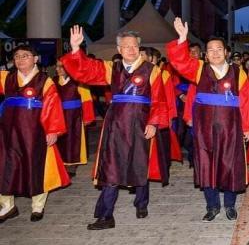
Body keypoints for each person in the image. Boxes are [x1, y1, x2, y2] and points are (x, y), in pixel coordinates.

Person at [61, 27, 169, 230]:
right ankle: (106, 216)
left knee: (139, 163)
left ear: (139, 48)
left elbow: (159, 100)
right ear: (119, 48)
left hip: (140, 123)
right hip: (116, 125)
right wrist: (76, 49)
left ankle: (141, 203)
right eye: (126, 46)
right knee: (110, 166)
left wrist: (154, 122)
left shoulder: (152, 70)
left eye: (134, 46)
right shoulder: (112, 67)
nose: (131, 49)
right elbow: (85, 70)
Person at [166, 18, 249, 222]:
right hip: (205, 129)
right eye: (210, 50)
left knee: (230, 165)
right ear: (206, 55)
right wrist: (182, 39)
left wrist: (248, 126)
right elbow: (179, 62)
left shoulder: (238, 72)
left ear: (226, 52)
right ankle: (212, 205)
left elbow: (248, 101)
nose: (215, 53)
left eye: (219, 49)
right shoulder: (199, 70)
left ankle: (230, 205)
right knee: (207, 165)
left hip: (231, 128)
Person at [0, 45, 70, 223]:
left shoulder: (44, 81)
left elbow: (53, 106)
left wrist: (53, 130)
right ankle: (7, 205)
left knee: (36, 166)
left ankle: (37, 206)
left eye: (25, 55)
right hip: (8, 133)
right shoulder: (6, 78)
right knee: (5, 166)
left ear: (35, 59)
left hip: (33, 133)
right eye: (17, 56)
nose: (20, 59)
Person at [54, 60, 96, 176]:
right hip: (59, 115)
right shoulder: (53, 82)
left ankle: (72, 165)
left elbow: (86, 100)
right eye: (57, 67)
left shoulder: (78, 81)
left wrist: (88, 117)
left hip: (74, 116)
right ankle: (61, 163)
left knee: (73, 139)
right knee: (61, 139)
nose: (57, 69)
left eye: (61, 67)